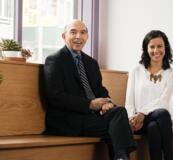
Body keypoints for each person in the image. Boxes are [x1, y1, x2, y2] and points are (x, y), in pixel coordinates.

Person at [43, 19, 136, 160]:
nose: (78, 36)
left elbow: (100, 89)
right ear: (64, 36)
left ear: (87, 37)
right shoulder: (55, 60)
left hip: (91, 117)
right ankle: (122, 158)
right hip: (68, 119)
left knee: (118, 114)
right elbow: (55, 96)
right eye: (73, 32)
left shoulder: (91, 63)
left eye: (83, 32)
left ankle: (121, 158)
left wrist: (106, 102)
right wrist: (90, 104)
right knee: (118, 123)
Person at [125, 30, 173, 160]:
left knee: (155, 125)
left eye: (159, 46)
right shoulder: (136, 70)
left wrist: (143, 113)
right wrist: (133, 119)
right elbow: (129, 101)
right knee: (163, 114)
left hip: (156, 120)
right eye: (152, 46)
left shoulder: (172, 73)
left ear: (165, 48)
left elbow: (163, 101)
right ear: (146, 49)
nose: (156, 50)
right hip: (138, 123)